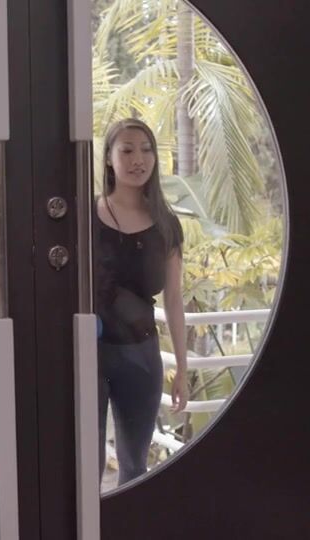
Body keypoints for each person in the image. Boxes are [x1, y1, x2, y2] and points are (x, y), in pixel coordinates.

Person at [94, 118, 189, 486]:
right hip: (88, 353)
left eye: (147, 150)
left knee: (134, 467)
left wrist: (182, 369)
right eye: (128, 150)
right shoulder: (85, 216)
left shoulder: (166, 225)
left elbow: (174, 300)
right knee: (86, 464)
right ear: (109, 158)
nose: (139, 159)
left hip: (141, 355)